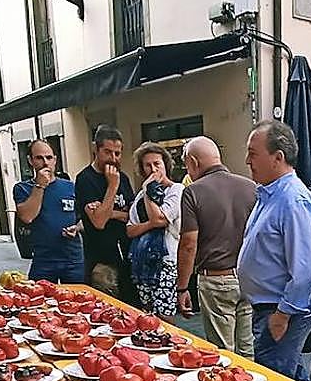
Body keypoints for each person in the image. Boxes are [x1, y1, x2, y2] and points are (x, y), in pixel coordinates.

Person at [237, 119, 311, 380]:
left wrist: (282, 315)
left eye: (253, 153)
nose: (247, 160)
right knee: (289, 377)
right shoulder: (271, 194)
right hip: (270, 307)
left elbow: (305, 268)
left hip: (282, 309)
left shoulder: (293, 199)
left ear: (278, 157)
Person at [175, 136, 256, 356]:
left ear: (193, 162)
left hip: (215, 279)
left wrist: (182, 287)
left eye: (186, 165)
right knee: (248, 349)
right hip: (248, 278)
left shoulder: (193, 191)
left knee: (223, 353)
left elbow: (188, 244)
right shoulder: (251, 187)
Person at [75, 125, 135, 299]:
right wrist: (112, 186)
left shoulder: (123, 177)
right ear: (96, 149)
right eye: (108, 152)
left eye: (117, 153)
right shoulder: (85, 179)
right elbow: (99, 222)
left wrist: (109, 212)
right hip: (101, 263)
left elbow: (132, 215)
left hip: (126, 257)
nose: (113, 158)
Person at [127, 142, 184, 318]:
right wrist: (151, 224)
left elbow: (160, 218)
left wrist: (149, 193)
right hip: (142, 261)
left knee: (165, 317)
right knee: (147, 316)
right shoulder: (140, 196)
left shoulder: (176, 190)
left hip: (165, 261)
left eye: (157, 164)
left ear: (165, 165)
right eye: (148, 165)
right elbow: (130, 229)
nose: (153, 169)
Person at [14, 139, 84, 283]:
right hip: (43, 260)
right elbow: (27, 216)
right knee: (40, 301)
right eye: (39, 158)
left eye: (49, 157)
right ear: (30, 161)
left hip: (72, 259)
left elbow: (84, 218)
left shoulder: (70, 186)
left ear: (55, 160)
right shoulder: (22, 188)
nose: (45, 162)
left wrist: (76, 228)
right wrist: (40, 186)